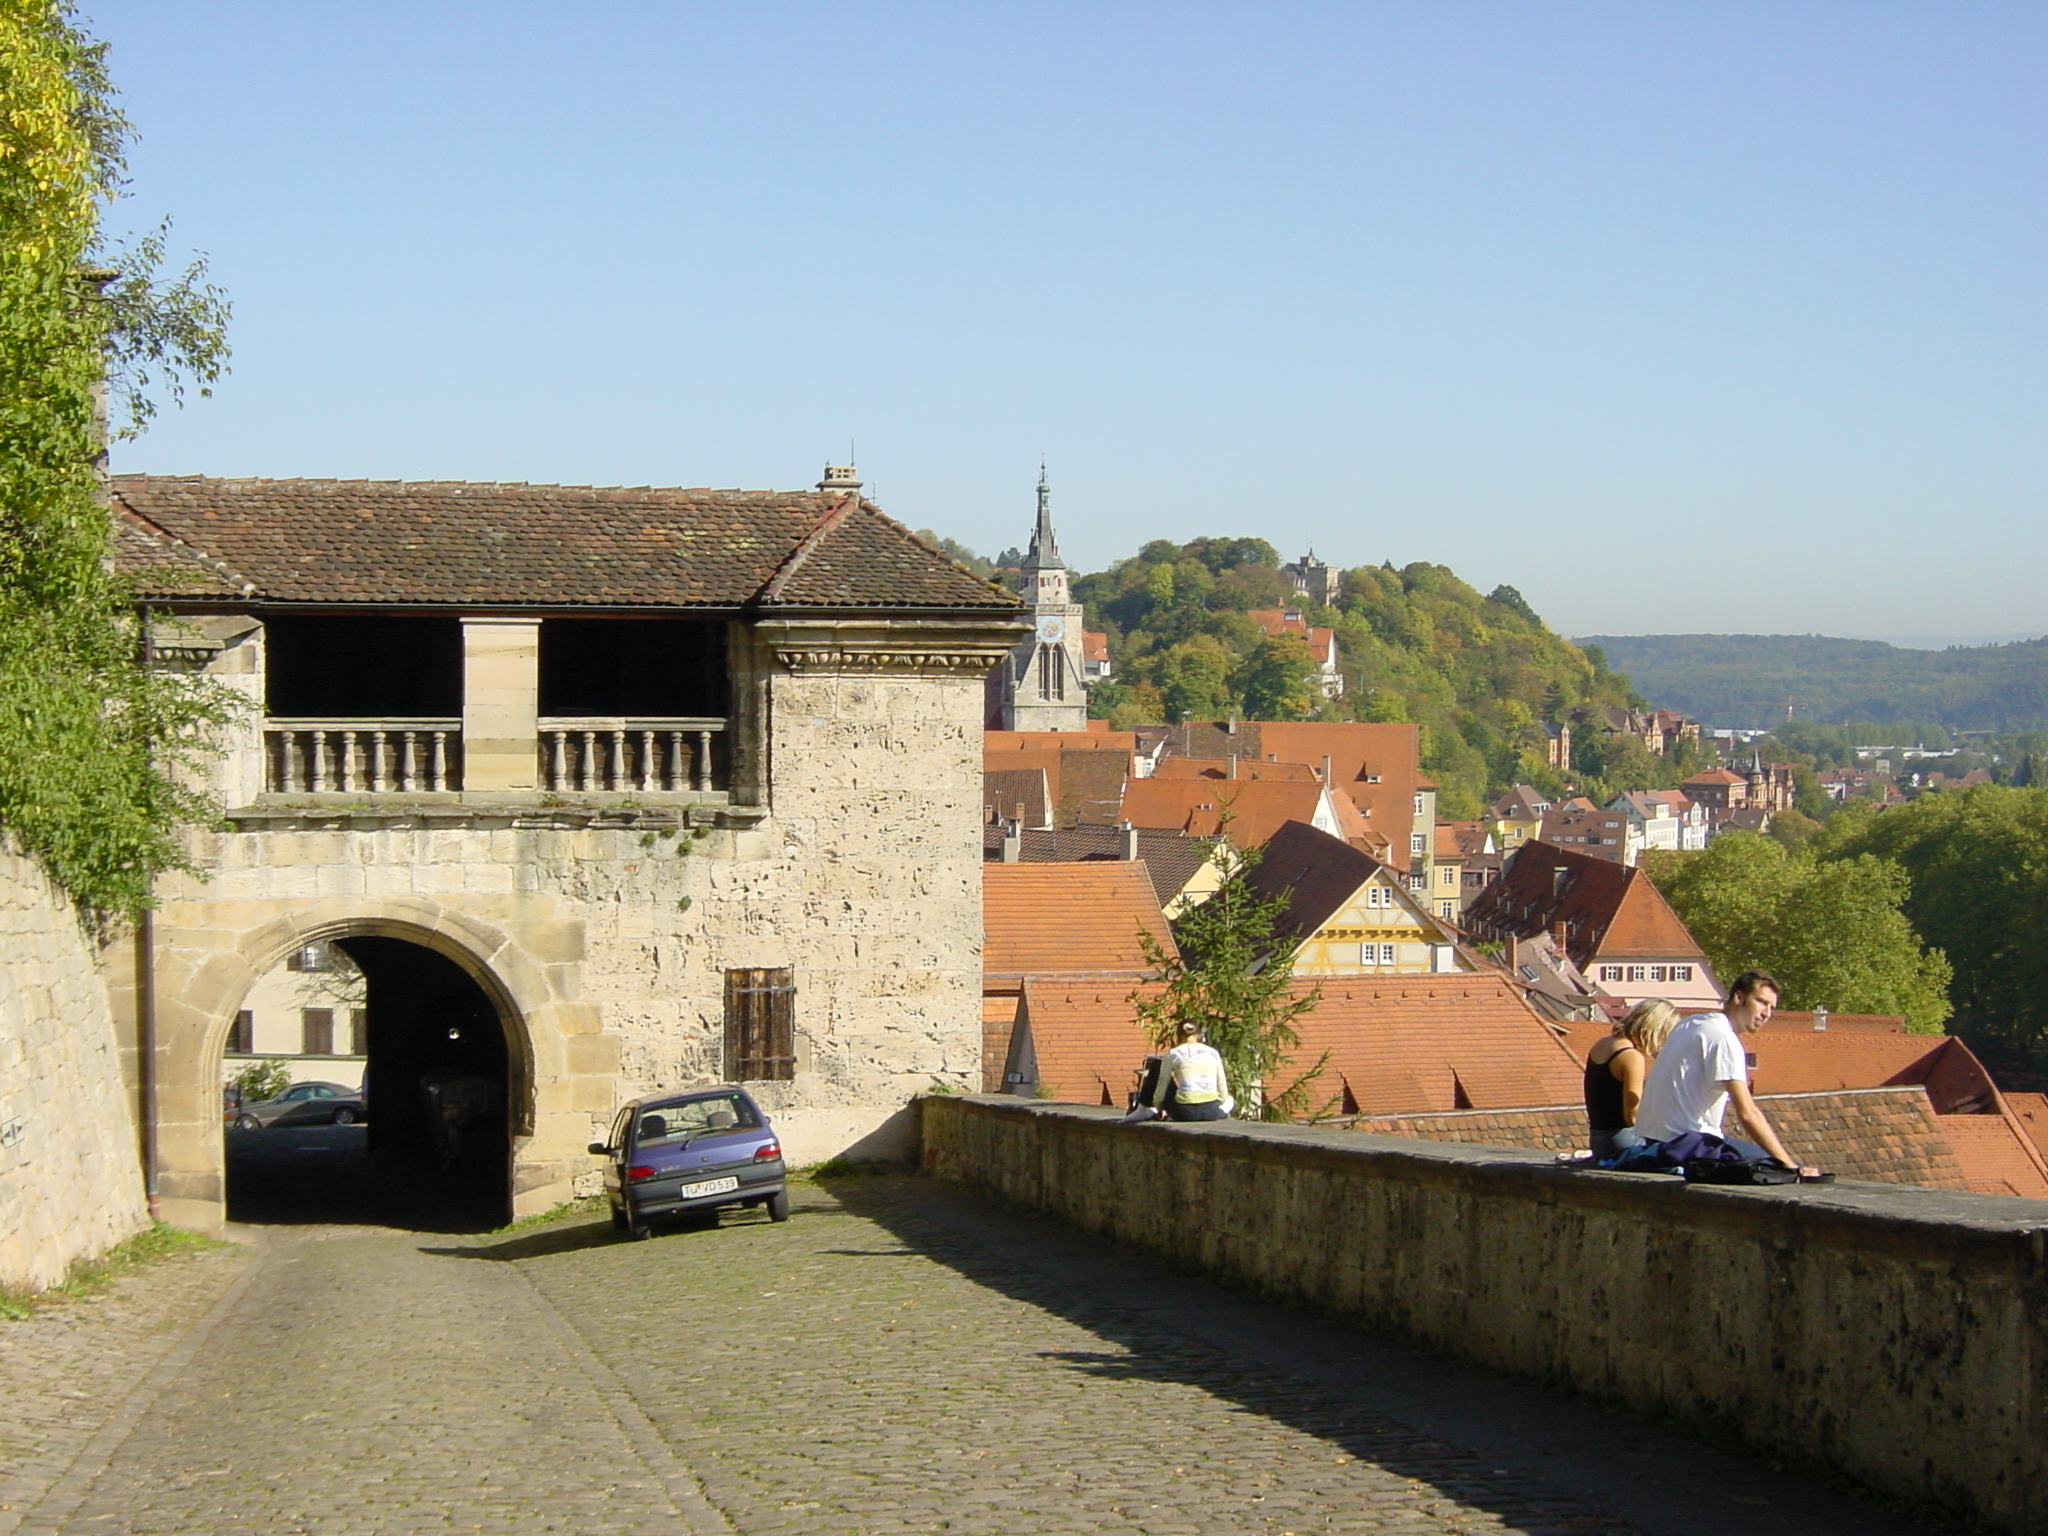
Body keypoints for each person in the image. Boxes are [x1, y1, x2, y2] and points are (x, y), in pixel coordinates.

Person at [1632, 971, 1815, 1173]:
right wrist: (1789, 1166)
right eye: (1762, 1002)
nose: (1767, 1013)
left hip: (1654, 1141)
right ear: (1739, 998)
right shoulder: (1723, 1038)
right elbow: (1748, 1113)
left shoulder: (1690, 1024)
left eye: (1772, 1007)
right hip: (1690, 1145)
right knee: (1777, 1168)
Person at [1584, 999, 1678, 1163]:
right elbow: (1632, 1117)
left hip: (1598, 1140)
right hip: (1622, 1141)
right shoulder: (1631, 1056)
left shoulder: (1602, 1044)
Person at [1150, 1020, 1232, 1121]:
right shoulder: (1213, 1052)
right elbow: (1221, 1083)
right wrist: (1221, 1102)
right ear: (1198, 1034)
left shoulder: (1173, 1053)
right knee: (1230, 1100)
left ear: (1178, 1035)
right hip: (1211, 1111)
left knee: (1156, 1066)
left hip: (1184, 1112)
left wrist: (1158, 1106)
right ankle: (1221, 1111)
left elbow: (1163, 1082)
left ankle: (1143, 1109)